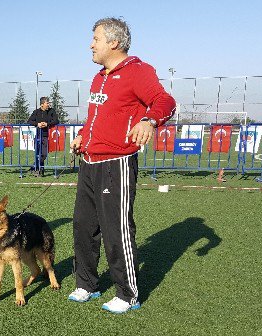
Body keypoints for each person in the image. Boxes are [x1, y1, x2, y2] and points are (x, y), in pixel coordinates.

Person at [68, 17, 176, 313]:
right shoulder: (99, 76)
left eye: (96, 39)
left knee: (116, 229)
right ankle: (86, 284)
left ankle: (128, 294)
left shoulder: (138, 71)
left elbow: (165, 101)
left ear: (114, 42)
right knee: (83, 225)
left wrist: (149, 120)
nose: (91, 44)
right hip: (89, 162)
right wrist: (81, 136)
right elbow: (96, 119)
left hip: (116, 164)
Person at [27, 97, 59, 176]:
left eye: (48, 103)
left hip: (46, 136)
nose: (48, 104)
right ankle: (40, 170)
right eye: (47, 103)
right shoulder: (36, 112)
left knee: (43, 154)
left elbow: (56, 120)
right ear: (42, 104)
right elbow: (29, 121)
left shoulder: (52, 111)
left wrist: (47, 124)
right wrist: (37, 124)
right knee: (38, 153)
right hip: (38, 135)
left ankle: (35, 167)